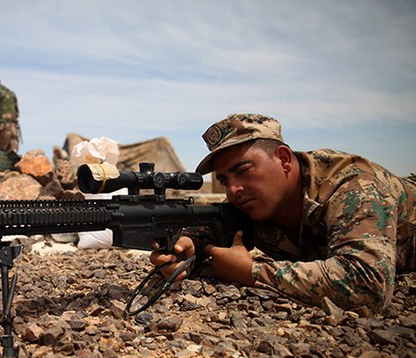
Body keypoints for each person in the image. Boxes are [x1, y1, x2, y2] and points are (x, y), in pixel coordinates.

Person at [150, 113, 416, 312]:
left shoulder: (355, 186)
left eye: (243, 170)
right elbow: (208, 228)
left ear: (284, 159)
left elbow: (368, 285)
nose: (233, 189)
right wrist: (185, 250)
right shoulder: (259, 200)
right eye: (223, 180)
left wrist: (252, 271)